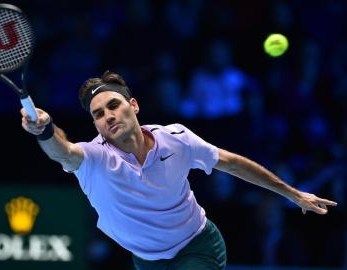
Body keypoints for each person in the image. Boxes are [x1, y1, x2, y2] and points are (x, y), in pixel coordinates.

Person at [21, 70, 337, 270]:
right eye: (99, 113)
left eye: (114, 105)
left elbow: (231, 163)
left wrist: (293, 194)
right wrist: (46, 131)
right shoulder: (93, 159)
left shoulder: (175, 138)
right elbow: (62, 151)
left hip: (198, 246)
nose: (108, 116)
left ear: (134, 106)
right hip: (147, 261)